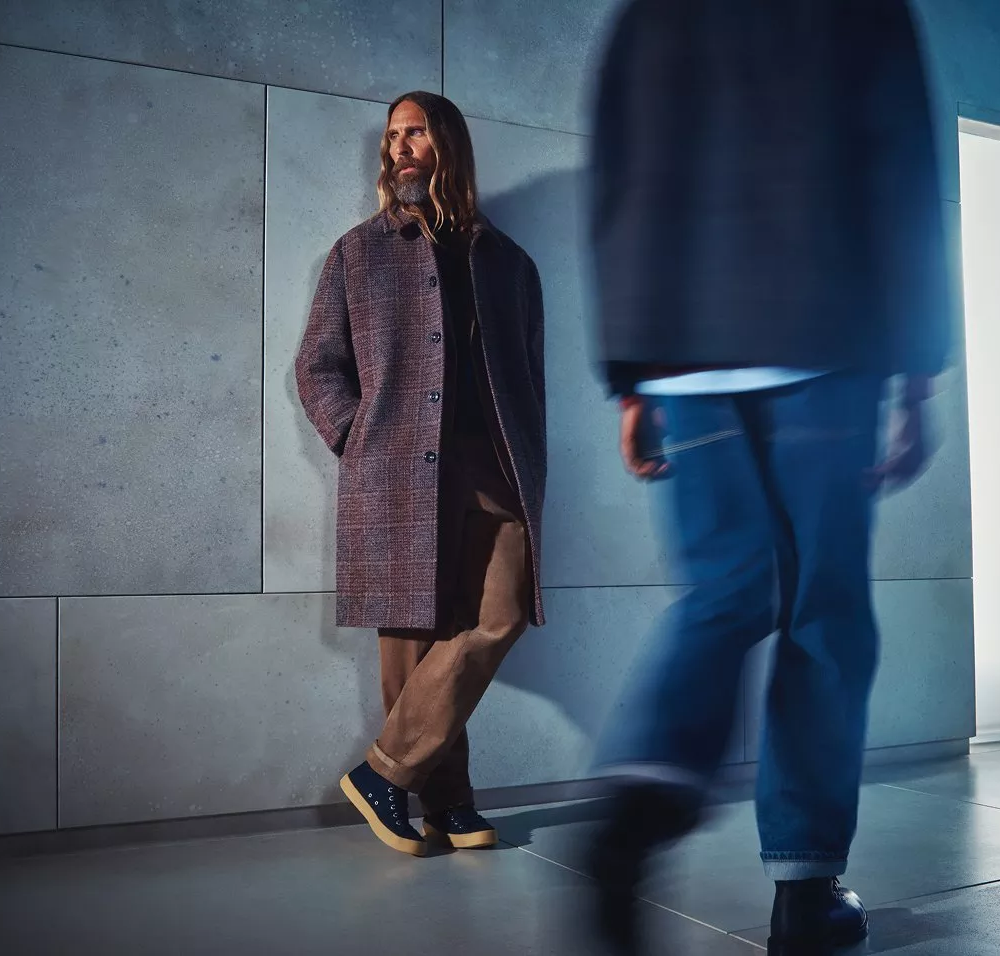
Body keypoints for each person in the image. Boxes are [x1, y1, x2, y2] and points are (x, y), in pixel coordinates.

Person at [584, 0, 950, 952]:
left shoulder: (650, 13)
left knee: (726, 589)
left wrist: (635, 376)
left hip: (686, 354)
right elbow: (901, 167)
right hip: (821, 339)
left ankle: (638, 802)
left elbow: (618, 181)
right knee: (822, 610)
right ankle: (804, 886)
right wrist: (919, 366)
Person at [295, 91, 546, 857]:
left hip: (493, 466)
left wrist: (530, 461)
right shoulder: (358, 252)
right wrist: (359, 436)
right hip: (398, 466)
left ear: (449, 145)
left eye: (417, 132)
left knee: (496, 617)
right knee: (413, 639)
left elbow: (532, 377)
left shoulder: (508, 263)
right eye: (393, 136)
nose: (400, 147)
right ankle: (447, 798)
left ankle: (384, 774)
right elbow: (318, 365)